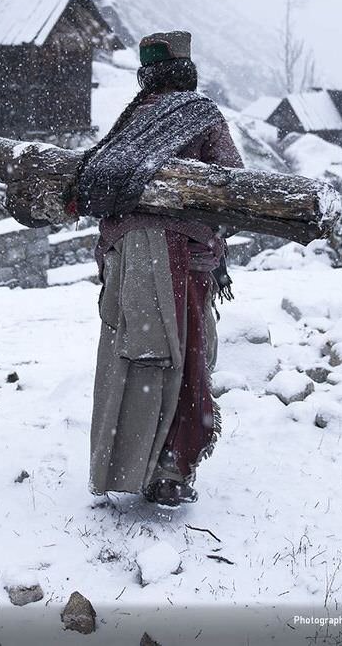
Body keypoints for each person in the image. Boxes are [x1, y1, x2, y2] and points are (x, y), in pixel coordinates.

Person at [69, 30, 243, 507]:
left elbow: (99, 190)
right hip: (180, 260)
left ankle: (128, 465)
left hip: (127, 259)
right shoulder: (201, 117)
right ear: (187, 71)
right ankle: (170, 467)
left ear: (147, 75)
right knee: (182, 360)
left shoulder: (131, 122)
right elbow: (232, 188)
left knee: (131, 358)